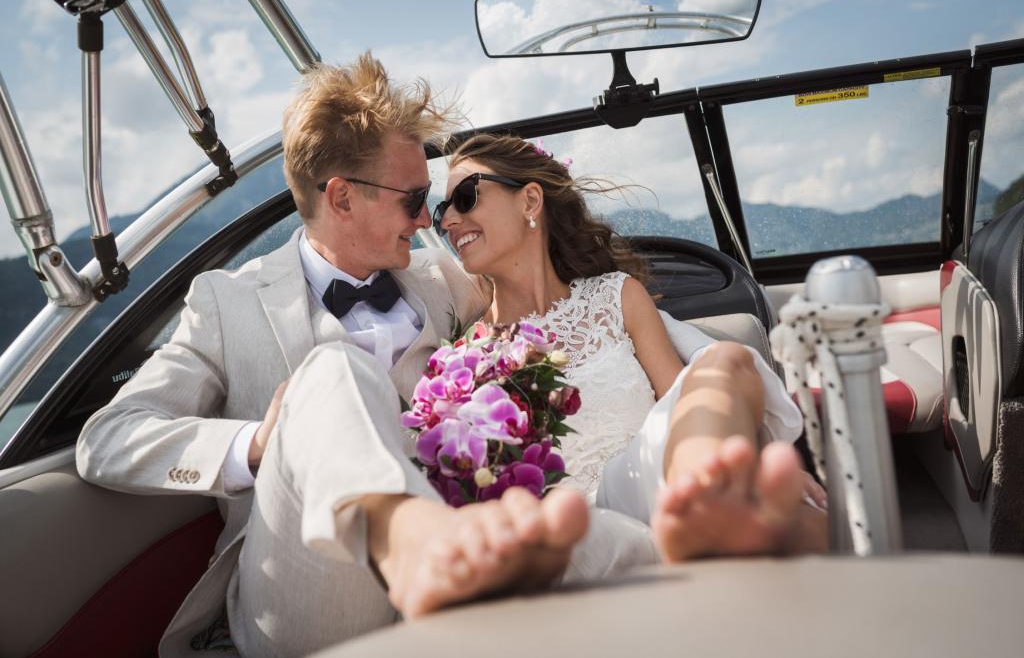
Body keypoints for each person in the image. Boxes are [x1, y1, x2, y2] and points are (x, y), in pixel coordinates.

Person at [76, 55, 594, 658]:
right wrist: (256, 444)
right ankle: (410, 540)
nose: (429, 219)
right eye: (413, 199)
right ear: (342, 198)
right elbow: (107, 438)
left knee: (604, 525)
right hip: (311, 592)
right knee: (333, 370)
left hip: (471, 553)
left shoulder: (446, 282)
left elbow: (550, 306)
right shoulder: (226, 302)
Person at [438, 133, 828, 560]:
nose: (448, 221)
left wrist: (758, 451)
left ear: (531, 201)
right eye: (443, 209)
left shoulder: (616, 296)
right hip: (580, 522)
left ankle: (706, 506)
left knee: (731, 363)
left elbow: (684, 398)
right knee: (787, 517)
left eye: (465, 197)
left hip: (661, 472)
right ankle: (711, 511)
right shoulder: (467, 359)